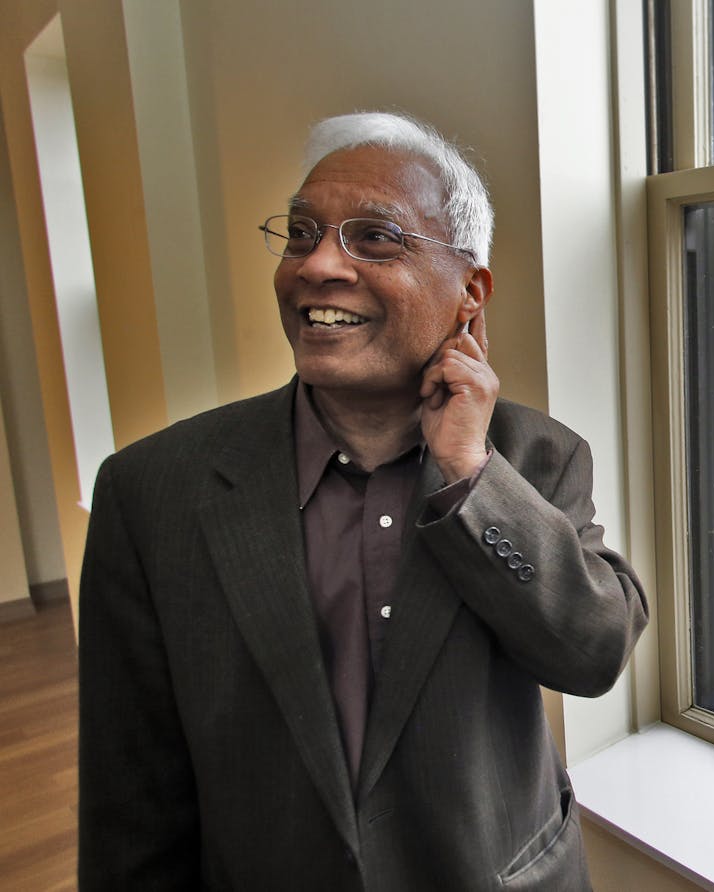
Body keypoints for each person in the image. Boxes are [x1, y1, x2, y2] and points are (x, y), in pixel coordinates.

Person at [77, 111, 648, 891]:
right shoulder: (151, 491)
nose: (316, 266)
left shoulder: (537, 458)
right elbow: (130, 788)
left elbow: (593, 652)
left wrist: (469, 475)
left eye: (374, 238)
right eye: (302, 232)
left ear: (468, 294)